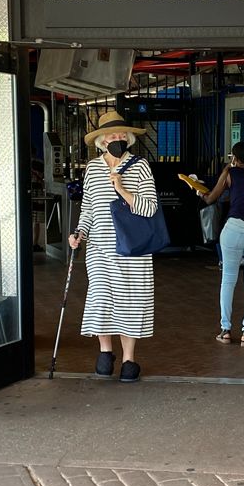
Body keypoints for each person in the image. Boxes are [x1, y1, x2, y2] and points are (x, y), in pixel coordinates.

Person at [68, 111, 158, 383]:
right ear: (102, 140)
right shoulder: (93, 168)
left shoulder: (140, 166)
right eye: (111, 134)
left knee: (131, 301)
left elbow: (150, 208)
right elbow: (88, 208)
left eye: (121, 134)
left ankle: (129, 359)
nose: (117, 138)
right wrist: (80, 232)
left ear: (127, 138)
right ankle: (105, 353)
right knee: (101, 299)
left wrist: (122, 190)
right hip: (100, 249)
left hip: (133, 249)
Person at [200, 141, 244, 345]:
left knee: (228, 280)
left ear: (236, 158)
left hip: (233, 230)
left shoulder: (230, 173)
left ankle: (226, 330)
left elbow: (210, 199)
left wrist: (199, 191)